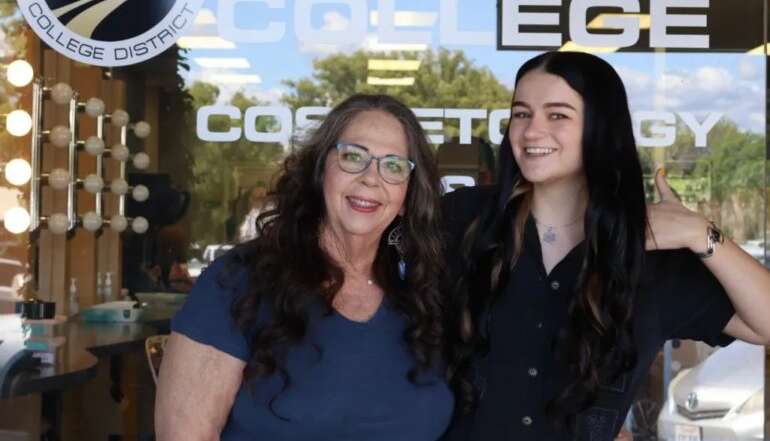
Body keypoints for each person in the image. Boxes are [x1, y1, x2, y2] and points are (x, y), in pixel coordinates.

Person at [442, 51, 770, 440]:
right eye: (521, 113)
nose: (531, 131)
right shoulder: (464, 219)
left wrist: (701, 233)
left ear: (601, 127)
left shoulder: (651, 249)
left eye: (557, 114)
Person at [156, 94, 467, 440]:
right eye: (353, 156)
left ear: (408, 196)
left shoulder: (425, 294)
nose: (371, 178)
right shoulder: (237, 282)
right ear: (320, 170)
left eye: (393, 166)